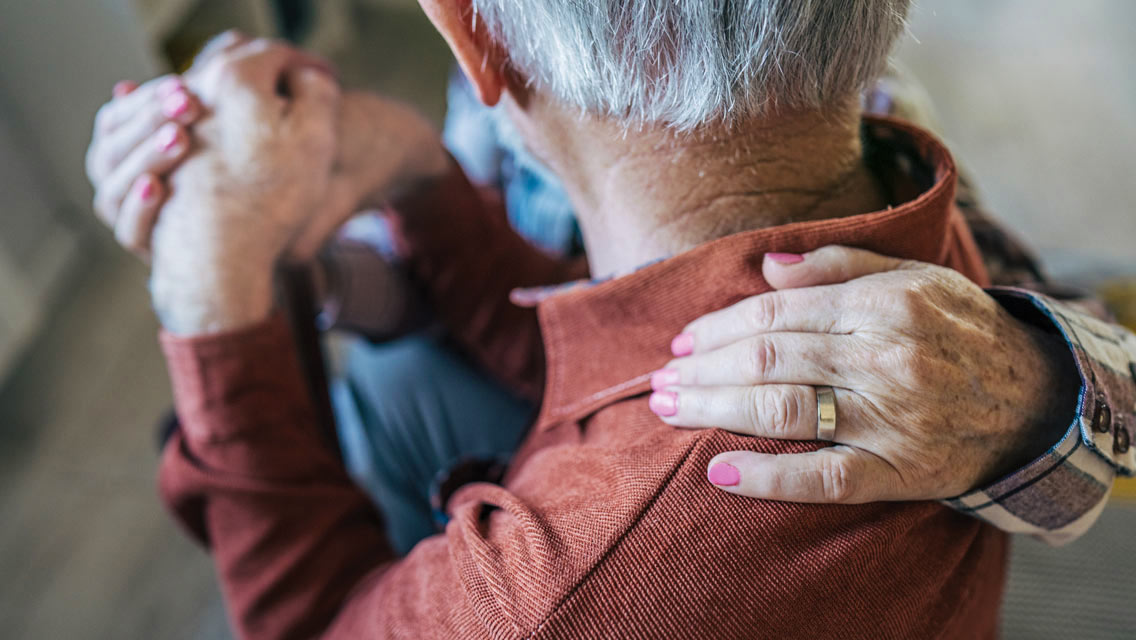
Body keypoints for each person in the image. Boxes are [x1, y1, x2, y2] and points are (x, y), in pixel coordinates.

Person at [81, 2, 1136, 638]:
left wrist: (211, 294)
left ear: (470, 39)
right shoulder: (891, 164)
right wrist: (413, 174)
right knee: (400, 387)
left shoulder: (577, 578)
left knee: (388, 401)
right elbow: (594, 344)